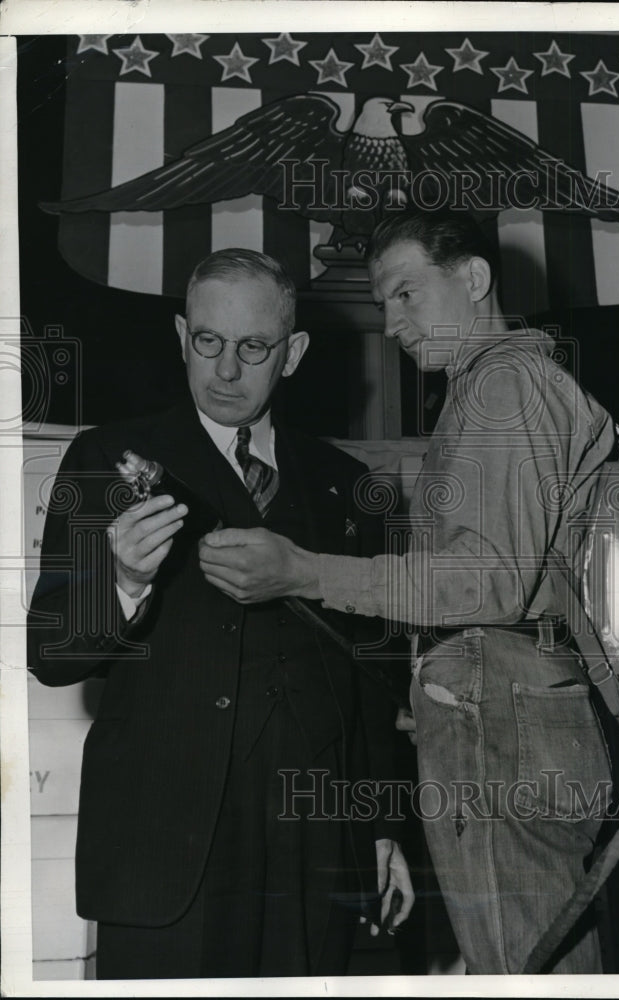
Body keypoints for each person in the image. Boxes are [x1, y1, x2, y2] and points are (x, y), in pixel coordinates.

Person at [197, 211, 616, 974]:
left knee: (524, 970)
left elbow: (484, 580)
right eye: (383, 302)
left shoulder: (505, 386)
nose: (389, 324)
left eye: (406, 295)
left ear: (475, 279)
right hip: (508, 708)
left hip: (502, 717)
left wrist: (306, 571)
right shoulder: (488, 393)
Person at [27, 248, 413, 979]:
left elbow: (371, 675)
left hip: (314, 850)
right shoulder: (107, 458)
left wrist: (381, 830)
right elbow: (53, 654)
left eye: (253, 347)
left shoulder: (349, 486)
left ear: (292, 353)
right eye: (207, 342)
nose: (226, 370)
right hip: (165, 853)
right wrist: (122, 581)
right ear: (181, 337)